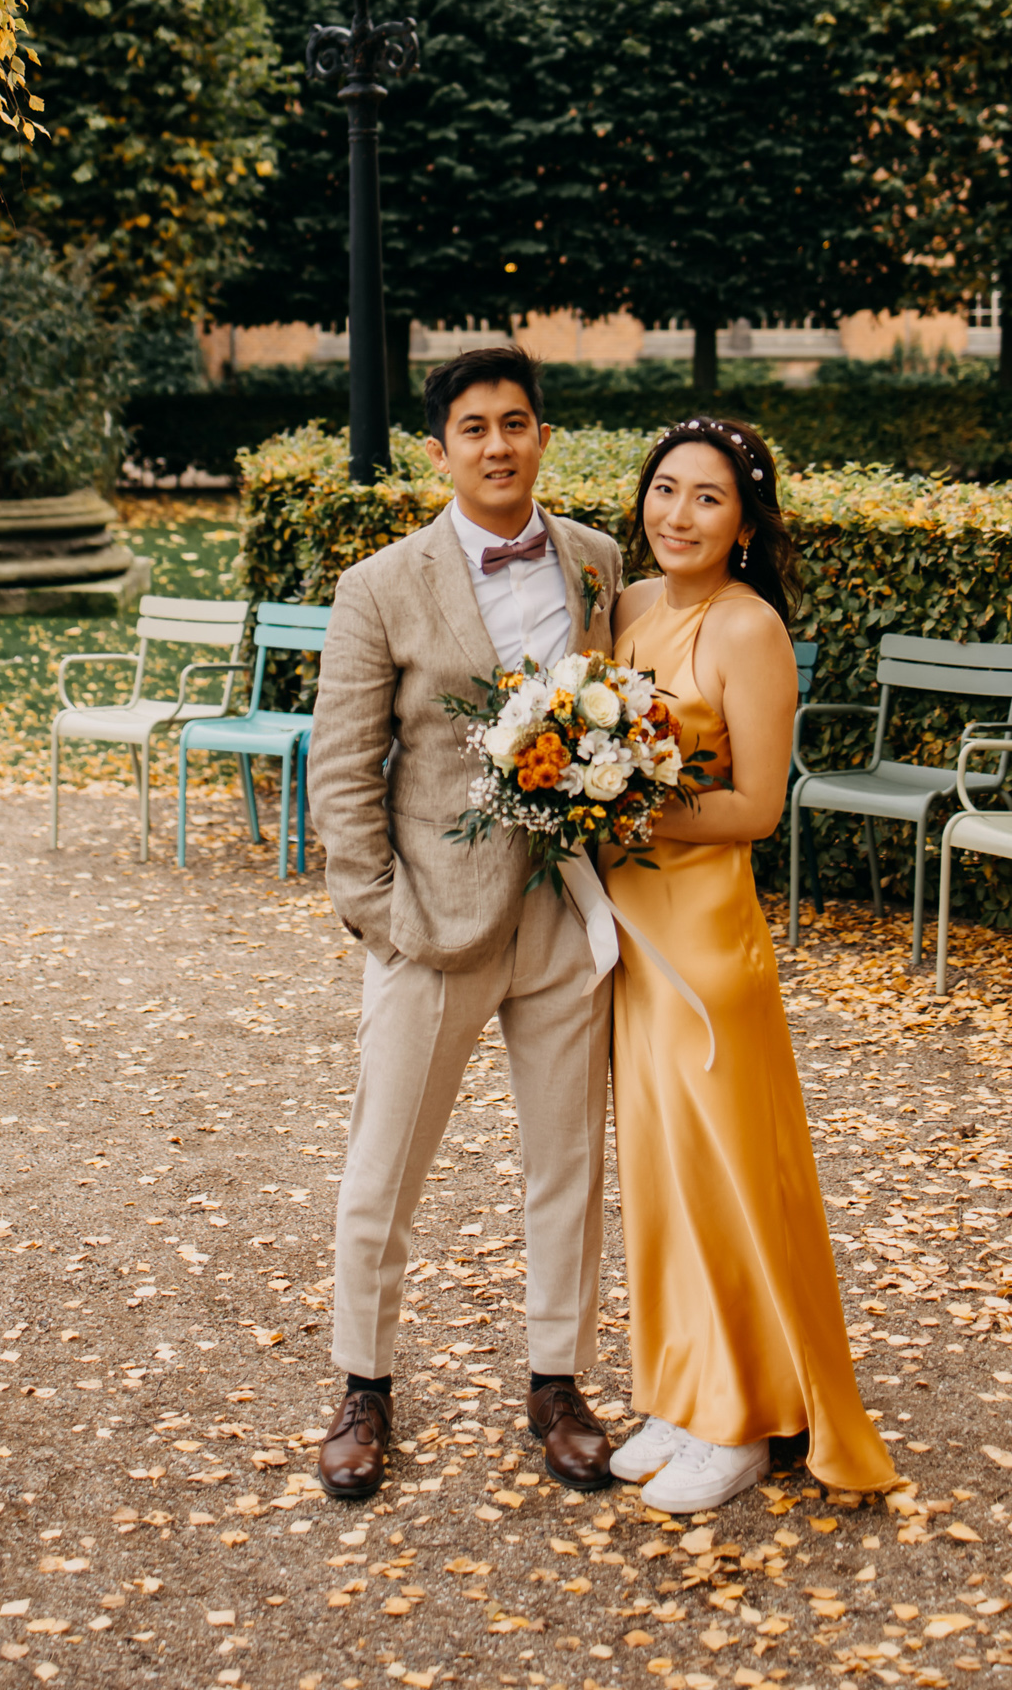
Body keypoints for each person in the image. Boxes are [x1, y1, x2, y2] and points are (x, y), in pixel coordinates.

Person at [307, 344, 624, 1500]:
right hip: (432, 925)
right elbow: (342, 767)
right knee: (383, 1165)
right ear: (439, 452)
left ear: (543, 436)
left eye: (517, 423)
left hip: (565, 912)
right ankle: (363, 1386)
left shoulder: (597, 563)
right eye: (476, 428)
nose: (499, 445)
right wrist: (379, 915)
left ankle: (558, 1382)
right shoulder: (380, 585)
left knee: (568, 1163)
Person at [602, 415, 897, 1513]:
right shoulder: (626, 606)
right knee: (663, 1178)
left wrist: (614, 809)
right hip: (628, 933)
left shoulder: (748, 627)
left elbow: (757, 807)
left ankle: (746, 1418)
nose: (677, 514)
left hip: (705, 941)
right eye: (664, 489)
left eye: (707, 498)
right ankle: (683, 1389)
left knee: (726, 1176)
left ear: (744, 524)